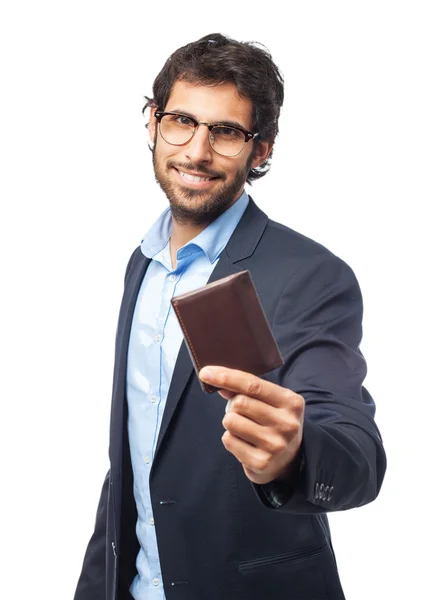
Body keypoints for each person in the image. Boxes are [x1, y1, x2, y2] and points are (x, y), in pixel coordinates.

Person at [74, 32, 387, 600]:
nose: (196, 151)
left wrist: (295, 455)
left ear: (260, 150)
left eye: (225, 132)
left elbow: (357, 454)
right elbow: (135, 464)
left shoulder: (310, 276)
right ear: (152, 123)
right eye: (180, 121)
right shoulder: (141, 265)